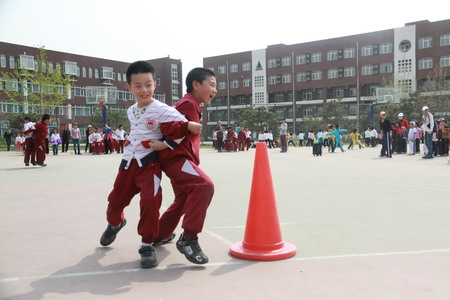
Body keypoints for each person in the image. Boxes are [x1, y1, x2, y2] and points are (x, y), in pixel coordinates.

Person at [99, 61, 201, 268]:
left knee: (150, 204)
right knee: (114, 203)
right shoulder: (130, 111)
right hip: (127, 165)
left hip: (149, 166)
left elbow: (188, 127)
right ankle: (116, 222)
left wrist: (167, 144)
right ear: (129, 88)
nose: (143, 90)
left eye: (148, 84)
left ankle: (147, 245)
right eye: (138, 86)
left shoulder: (162, 109)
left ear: (155, 84)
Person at [150, 67, 216, 265]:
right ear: (196, 84)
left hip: (179, 159)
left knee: (184, 198)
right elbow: (169, 128)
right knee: (204, 186)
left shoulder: (192, 105)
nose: (214, 90)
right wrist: (167, 144)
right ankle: (189, 238)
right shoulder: (187, 104)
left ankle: (160, 234)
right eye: (211, 84)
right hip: (177, 160)